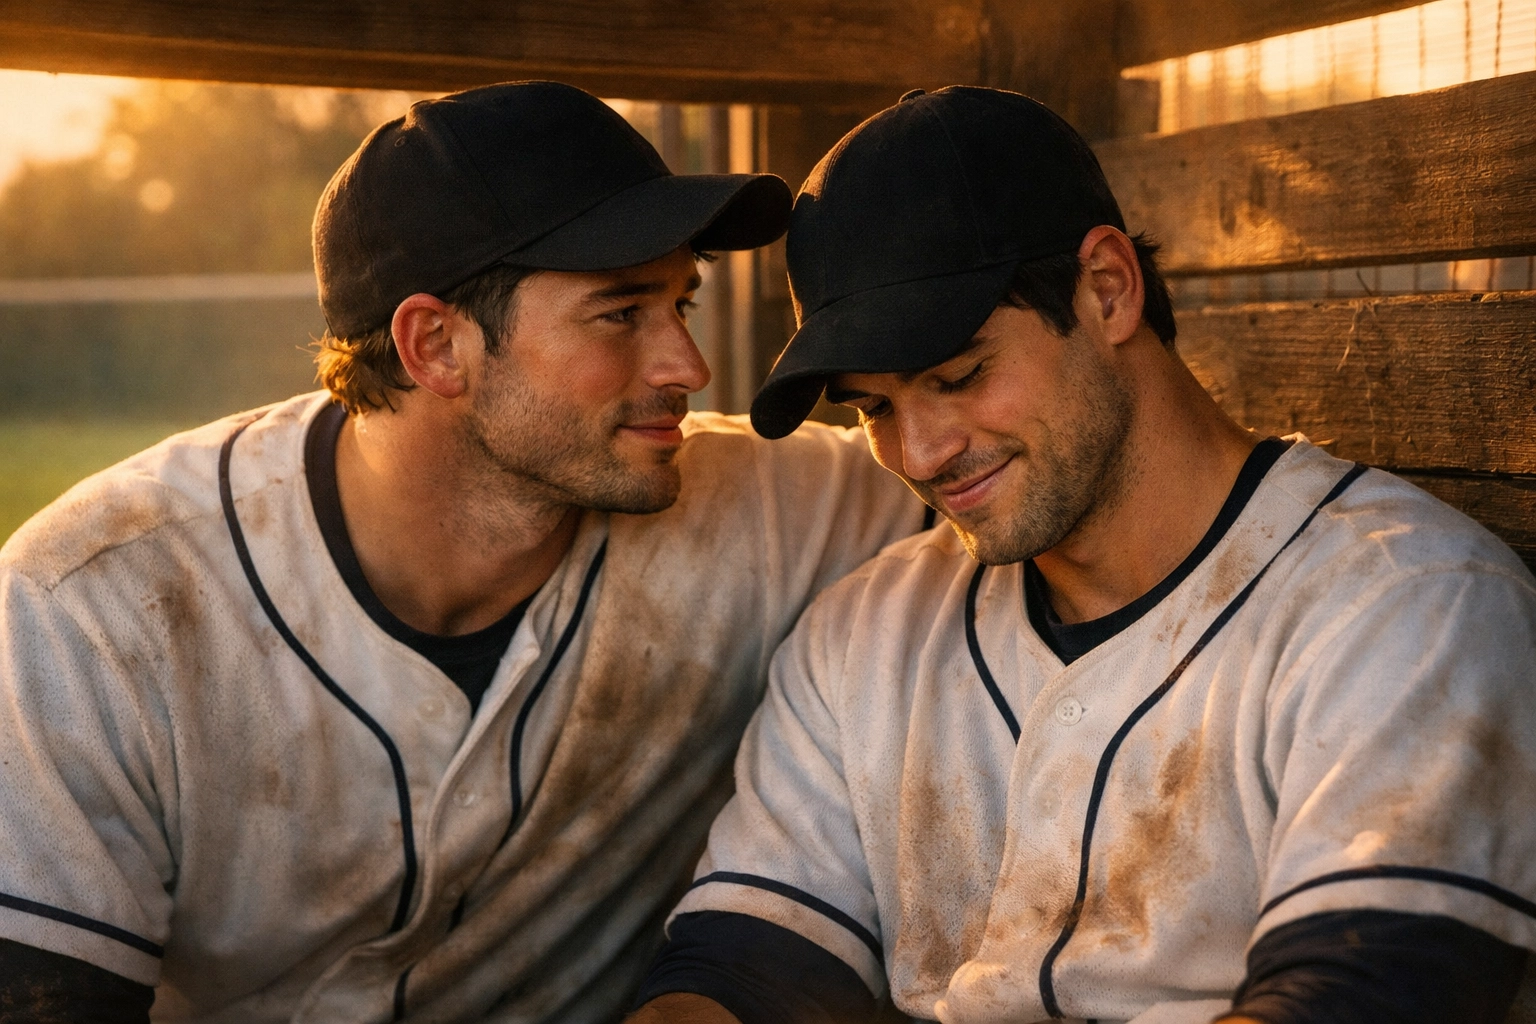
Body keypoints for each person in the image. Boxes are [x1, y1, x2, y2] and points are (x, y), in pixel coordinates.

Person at [0, 82, 927, 1022]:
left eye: (681, 303)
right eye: (621, 312)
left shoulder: (773, 504)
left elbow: (995, 480)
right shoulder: (95, 602)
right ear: (435, 344)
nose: (687, 365)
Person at [630, 86, 1536, 1024]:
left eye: (958, 375)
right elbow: (742, 976)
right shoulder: (864, 633)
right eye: (875, 408)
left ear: (1107, 288)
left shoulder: (1406, 605)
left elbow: (1366, 999)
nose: (923, 451)